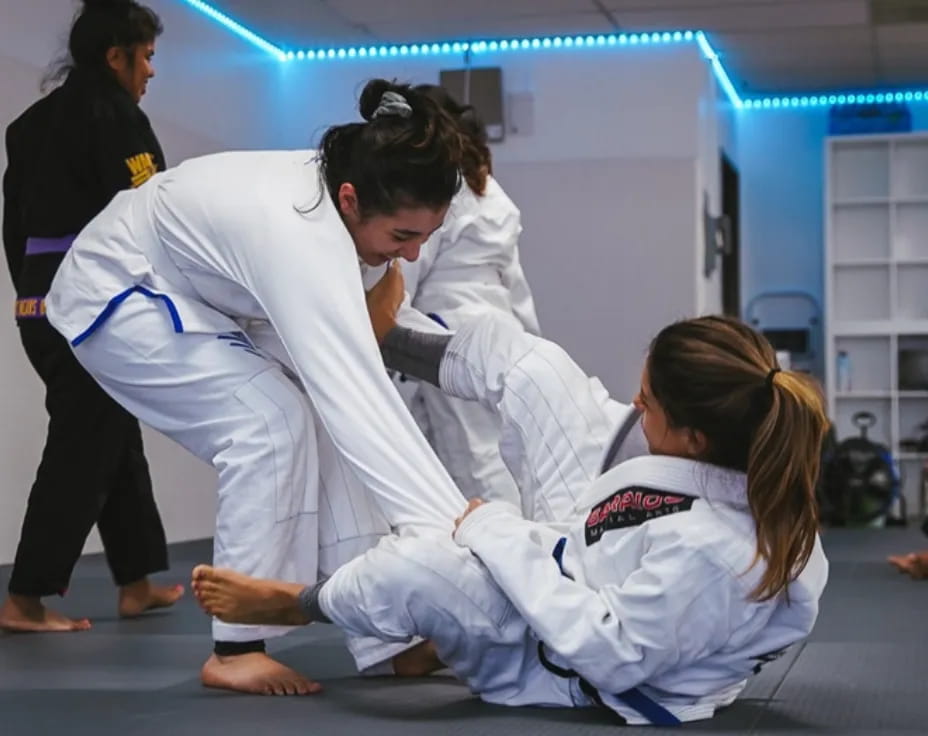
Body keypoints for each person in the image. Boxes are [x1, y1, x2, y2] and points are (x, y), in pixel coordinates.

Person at [192, 267, 830, 724]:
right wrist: (517, 537)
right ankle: (384, 335)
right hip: (592, 548)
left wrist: (495, 533)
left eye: (649, 402)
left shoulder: (717, 558)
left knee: (417, 562)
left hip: (550, 659)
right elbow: (646, 509)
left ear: (693, 438)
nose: (635, 406)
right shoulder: (728, 464)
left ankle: (300, 605)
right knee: (538, 371)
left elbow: (608, 655)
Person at [43, 79, 471, 695]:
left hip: (202, 291)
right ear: (351, 201)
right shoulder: (298, 233)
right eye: (403, 238)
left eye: (426, 238)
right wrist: (461, 536)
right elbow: (365, 403)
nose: (409, 254)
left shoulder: (350, 200)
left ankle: (390, 637)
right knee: (269, 421)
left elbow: (366, 359)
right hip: (117, 285)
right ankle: (235, 646)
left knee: (317, 420)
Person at [0, 0, 183, 634]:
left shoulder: (27, 126)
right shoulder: (114, 118)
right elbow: (149, 216)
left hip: (40, 303)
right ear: (116, 57)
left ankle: (135, 583)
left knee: (110, 431)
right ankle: (24, 599)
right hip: (93, 306)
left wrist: (35, 297)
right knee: (85, 442)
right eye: (148, 57)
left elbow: (13, 227)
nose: (151, 72)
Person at [391, 84, 540, 511]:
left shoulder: (436, 188)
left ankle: (492, 557)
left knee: (468, 467)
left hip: (444, 341)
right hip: (501, 338)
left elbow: (403, 278)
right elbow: (516, 291)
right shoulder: (492, 191)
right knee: (501, 459)